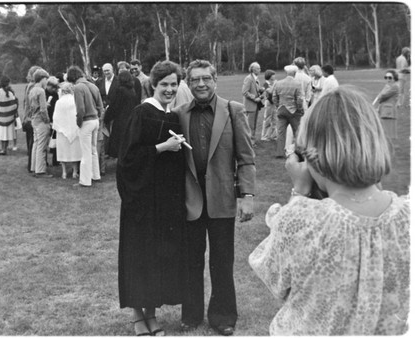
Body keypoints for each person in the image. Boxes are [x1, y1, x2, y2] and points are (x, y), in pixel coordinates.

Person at [249, 86, 409, 335]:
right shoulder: (407, 217)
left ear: (311, 154)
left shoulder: (300, 219)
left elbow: (276, 279)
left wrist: (300, 190)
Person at [174, 59, 256, 336]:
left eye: (205, 79)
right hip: (190, 202)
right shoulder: (179, 114)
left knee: (222, 262)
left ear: (214, 80)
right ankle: (191, 315)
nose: (200, 84)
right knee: (190, 261)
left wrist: (246, 195)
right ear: (188, 82)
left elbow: (246, 158)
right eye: (195, 79)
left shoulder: (233, 111)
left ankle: (223, 316)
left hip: (222, 200)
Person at [117, 60, 186, 336]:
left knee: (158, 256)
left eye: (174, 84)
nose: (169, 89)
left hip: (165, 202)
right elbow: (127, 160)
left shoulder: (172, 116)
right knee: (140, 255)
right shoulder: (141, 113)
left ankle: (152, 313)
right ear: (153, 85)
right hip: (141, 201)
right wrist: (163, 147)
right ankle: (137, 315)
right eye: (164, 84)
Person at [67, 65, 104, 187]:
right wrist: (97, 116)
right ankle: (95, 176)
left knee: (85, 152)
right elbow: (100, 106)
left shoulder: (78, 87)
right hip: (95, 120)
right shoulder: (93, 85)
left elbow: (80, 109)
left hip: (86, 121)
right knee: (93, 150)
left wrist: (79, 122)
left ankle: (85, 181)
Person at [103, 70, 139, 158]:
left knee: (119, 146)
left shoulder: (120, 90)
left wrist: (106, 118)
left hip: (120, 121)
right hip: (130, 120)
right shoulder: (132, 90)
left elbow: (114, 106)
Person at [272, 65, 304, 158]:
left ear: (286, 73)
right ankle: (299, 152)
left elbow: (274, 97)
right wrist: (300, 109)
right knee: (297, 132)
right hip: (293, 111)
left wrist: (278, 105)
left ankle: (279, 153)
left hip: (281, 109)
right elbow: (299, 99)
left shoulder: (278, 83)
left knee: (281, 132)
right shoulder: (297, 83)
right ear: (294, 73)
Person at [52, 82, 82, 179]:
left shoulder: (59, 102)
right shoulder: (74, 100)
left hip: (62, 130)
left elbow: (55, 116)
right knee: (74, 151)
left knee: (63, 151)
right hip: (73, 129)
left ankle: (64, 172)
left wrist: (59, 127)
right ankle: (74, 172)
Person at [29, 68, 53, 178]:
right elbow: (43, 110)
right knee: (42, 147)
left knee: (36, 144)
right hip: (41, 121)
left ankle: (34, 167)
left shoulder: (32, 89)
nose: (46, 82)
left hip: (34, 120)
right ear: (42, 79)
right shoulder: (41, 91)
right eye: (46, 79)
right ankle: (40, 171)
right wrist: (47, 121)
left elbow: (34, 106)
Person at [372, 69, 400, 152]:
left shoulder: (394, 86)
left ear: (394, 78)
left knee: (389, 132)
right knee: (385, 131)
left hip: (389, 112)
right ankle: (387, 149)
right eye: (386, 77)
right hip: (384, 110)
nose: (388, 79)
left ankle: (389, 149)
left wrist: (381, 94)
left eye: (390, 77)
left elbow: (383, 96)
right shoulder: (388, 86)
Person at [22, 65, 44, 173]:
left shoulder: (29, 85)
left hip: (29, 116)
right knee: (33, 143)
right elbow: (30, 103)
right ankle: (33, 165)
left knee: (32, 142)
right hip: (32, 117)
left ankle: (33, 165)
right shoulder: (33, 87)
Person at [0, 76, 18, 155]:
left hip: (0, 116)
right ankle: (4, 148)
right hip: (9, 117)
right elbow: (14, 106)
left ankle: (3, 148)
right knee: (6, 134)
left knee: (2, 134)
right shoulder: (10, 93)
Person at [242, 62, 263, 142]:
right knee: (250, 125)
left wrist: (261, 89)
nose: (260, 70)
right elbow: (244, 92)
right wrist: (255, 98)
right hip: (250, 106)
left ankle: (252, 140)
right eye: (258, 68)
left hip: (255, 105)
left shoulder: (256, 78)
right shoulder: (249, 78)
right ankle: (249, 142)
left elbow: (255, 89)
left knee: (253, 124)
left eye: (260, 68)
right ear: (253, 70)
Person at [45, 76, 60, 167]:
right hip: (46, 120)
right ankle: (44, 160)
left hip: (55, 120)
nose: (54, 89)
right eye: (53, 87)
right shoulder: (43, 93)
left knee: (56, 140)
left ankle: (56, 160)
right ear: (48, 85)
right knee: (45, 142)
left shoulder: (56, 94)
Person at [260, 69, 278, 141]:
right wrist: (275, 85)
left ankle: (274, 135)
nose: (274, 77)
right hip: (269, 103)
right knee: (267, 119)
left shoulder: (273, 83)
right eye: (273, 75)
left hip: (274, 103)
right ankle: (264, 136)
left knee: (275, 119)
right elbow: (270, 92)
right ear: (269, 76)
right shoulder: (266, 84)